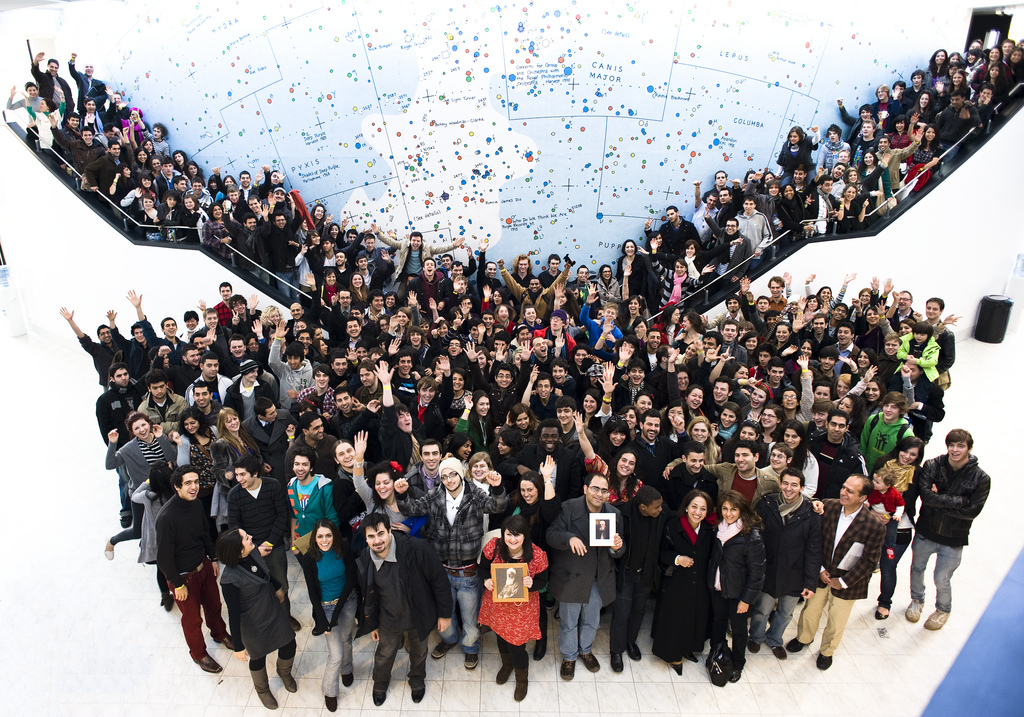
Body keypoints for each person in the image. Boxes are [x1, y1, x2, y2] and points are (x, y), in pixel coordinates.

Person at [394, 457, 507, 669]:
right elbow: (412, 508)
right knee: (443, 613)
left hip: (468, 573)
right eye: (444, 476)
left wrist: (498, 488)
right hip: (442, 571)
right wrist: (401, 494)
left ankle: (471, 649)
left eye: (453, 474)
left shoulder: (475, 493)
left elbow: (497, 506)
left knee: (469, 616)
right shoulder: (435, 495)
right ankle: (449, 640)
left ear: (460, 474)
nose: (449, 480)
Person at [788, 474, 884, 670]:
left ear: (863, 498)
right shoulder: (828, 507)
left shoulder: (874, 526)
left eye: (850, 491)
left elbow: (869, 561)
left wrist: (844, 582)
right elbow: (816, 541)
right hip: (821, 574)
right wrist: (820, 570)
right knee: (810, 611)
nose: (843, 492)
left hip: (848, 582)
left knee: (836, 620)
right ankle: (804, 638)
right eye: (843, 487)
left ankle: (827, 651)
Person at [355, 513, 453, 706]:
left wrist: (444, 614)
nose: (377, 541)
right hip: (388, 619)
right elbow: (366, 595)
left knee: (419, 650)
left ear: (390, 530)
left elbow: (439, 581)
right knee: (384, 654)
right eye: (371, 537)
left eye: (381, 534)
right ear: (365, 539)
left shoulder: (416, 549)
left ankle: (417, 680)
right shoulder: (364, 559)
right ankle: (380, 683)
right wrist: (371, 624)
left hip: (418, 614)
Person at [906, 428, 990, 631]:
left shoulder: (981, 478)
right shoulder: (932, 465)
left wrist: (940, 500)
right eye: (951, 445)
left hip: (954, 537)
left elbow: (972, 511)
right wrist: (960, 501)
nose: (955, 449)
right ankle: (917, 600)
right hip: (926, 530)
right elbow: (926, 498)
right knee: (917, 568)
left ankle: (943, 609)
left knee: (941, 578)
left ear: (969, 448)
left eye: (960, 446)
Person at [546, 472, 625, 680]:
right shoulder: (569, 508)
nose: (599, 494)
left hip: (599, 578)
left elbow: (619, 550)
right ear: (585, 489)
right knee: (569, 621)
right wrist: (569, 537)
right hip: (571, 576)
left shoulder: (614, 514)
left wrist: (617, 547)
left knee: (592, 620)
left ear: (609, 494)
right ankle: (569, 656)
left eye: (604, 490)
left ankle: (585, 650)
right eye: (595, 488)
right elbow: (551, 535)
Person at [155, 466, 235, 673]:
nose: (194, 487)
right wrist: (178, 584)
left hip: (203, 566)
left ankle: (219, 633)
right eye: (188, 483)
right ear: (176, 487)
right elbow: (163, 558)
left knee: (214, 605)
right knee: (192, 620)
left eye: (197, 482)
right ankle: (199, 654)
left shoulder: (197, 504)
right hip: (183, 578)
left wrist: (214, 558)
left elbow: (204, 534)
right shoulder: (166, 518)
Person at [216, 528, 297, 708]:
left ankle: (284, 672)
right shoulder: (229, 580)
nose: (251, 537)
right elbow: (233, 613)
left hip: (272, 610)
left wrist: (277, 587)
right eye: (246, 538)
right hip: (253, 623)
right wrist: (238, 645)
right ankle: (263, 690)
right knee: (258, 657)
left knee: (289, 642)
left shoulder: (252, 552)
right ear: (238, 550)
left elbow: (265, 574)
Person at [748, 468, 822, 659]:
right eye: (786, 483)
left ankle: (774, 639)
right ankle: (756, 637)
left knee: (785, 612)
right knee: (761, 610)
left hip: (794, 573)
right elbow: (755, 536)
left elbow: (814, 550)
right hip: (769, 568)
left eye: (794, 485)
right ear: (780, 483)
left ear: (802, 488)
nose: (789, 488)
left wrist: (810, 582)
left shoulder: (810, 512)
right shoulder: (766, 504)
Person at [478, 514, 549, 701]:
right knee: (500, 637)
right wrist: (486, 580)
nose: (512, 539)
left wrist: (531, 583)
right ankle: (506, 664)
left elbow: (543, 581)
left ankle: (521, 679)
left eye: (517, 535)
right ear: (503, 535)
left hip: (522, 610)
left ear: (525, 536)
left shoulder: (537, 555)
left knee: (517, 646)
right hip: (498, 606)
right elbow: (483, 569)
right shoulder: (493, 547)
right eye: (508, 534)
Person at [226, 454, 301, 631]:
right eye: (237, 475)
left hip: (273, 545)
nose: (239, 479)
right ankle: (267, 620)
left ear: (255, 473)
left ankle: (285, 617)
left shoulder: (273, 486)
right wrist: (253, 549)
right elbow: (234, 526)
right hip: (249, 549)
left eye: (243, 474)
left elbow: (283, 515)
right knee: (257, 588)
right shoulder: (234, 495)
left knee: (281, 584)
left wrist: (269, 542)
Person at [295, 519, 360, 712]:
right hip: (326, 607)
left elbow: (351, 580)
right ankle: (330, 691)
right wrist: (323, 620)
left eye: (328, 535)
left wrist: (337, 611)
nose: (325, 540)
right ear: (315, 538)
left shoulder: (345, 548)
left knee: (346, 638)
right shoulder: (309, 559)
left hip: (347, 602)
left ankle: (347, 669)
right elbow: (312, 592)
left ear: (335, 536)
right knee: (335, 654)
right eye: (320, 536)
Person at [652, 489, 715, 670]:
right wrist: (678, 559)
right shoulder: (673, 526)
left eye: (703, 509)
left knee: (694, 618)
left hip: (700, 584)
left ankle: (689, 649)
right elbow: (661, 553)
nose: (698, 512)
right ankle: (673, 656)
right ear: (686, 507)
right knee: (676, 620)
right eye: (694, 507)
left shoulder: (709, 530)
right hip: (676, 583)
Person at [706, 491, 766, 683]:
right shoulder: (718, 528)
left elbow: (757, 573)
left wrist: (746, 599)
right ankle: (716, 654)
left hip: (738, 594)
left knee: (739, 631)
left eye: (733, 509)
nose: (729, 513)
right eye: (725, 508)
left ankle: (738, 663)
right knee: (718, 623)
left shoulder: (751, 535)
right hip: (718, 588)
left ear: (741, 510)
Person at [103, 412, 176, 560]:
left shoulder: (159, 438)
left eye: (143, 425)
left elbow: (172, 458)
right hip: (143, 493)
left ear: (149, 424)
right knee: (138, 531)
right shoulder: (128, 449)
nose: (141, 430)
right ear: (132, 431)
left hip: (166, 490)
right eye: (136, 428)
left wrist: (162, 438)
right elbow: (110, 464)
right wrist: (112, 443)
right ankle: (112, 541)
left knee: (168, 524)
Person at [610, 485, 666, 672]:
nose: (660, 509)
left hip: (647, 572)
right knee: (622, 613)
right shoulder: (621, 515)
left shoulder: (660, 515)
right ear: (643, 507)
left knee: (639, 609)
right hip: (627, 573)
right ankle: (616, 650)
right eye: (656, 507)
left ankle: (631, 642)